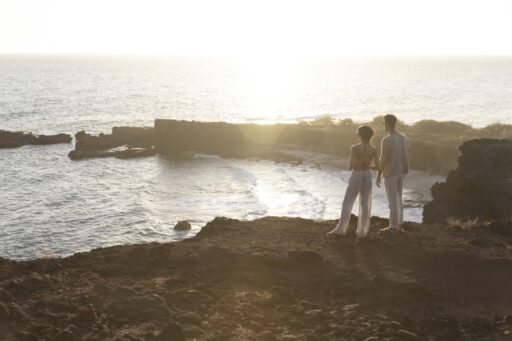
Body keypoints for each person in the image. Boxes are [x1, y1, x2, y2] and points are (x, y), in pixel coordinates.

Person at [327, 125, 378, 238]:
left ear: (360, 135)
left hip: (357, 175)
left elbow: (351, 166)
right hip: (368, 176)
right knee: (365, 205)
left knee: (347, 202)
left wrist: (355, 163)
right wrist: (368, 164)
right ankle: (362, 232)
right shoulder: (374, 149)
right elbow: (378, 167)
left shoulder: (355, 148)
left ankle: (341, 229)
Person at [376, 114, 410, 233]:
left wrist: (378, 174)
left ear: (386, 123)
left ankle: (393, 226)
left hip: (391, 173)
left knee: (392, 201)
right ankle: (399, 224)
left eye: (384, 123)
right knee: (399, 198)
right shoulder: (404, 137)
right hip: (401, 172)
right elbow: (408, 154)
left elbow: (383, 160)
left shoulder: (386, 140)